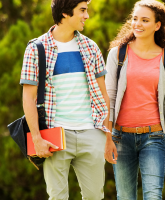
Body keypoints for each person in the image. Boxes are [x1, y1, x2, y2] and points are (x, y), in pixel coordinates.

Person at [19, 0, 110, 199]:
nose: (87, 16)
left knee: (95, 197)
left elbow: (104, 96)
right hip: (54, 137)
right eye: (82, 11)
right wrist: (37, 139)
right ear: (66, 14)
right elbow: (28, 99)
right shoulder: (36, 49)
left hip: (91, 134)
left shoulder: (91, 47)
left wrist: (106, 135)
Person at [104, 0, 165, 199]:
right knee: (125, 196)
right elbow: (109, 98)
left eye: (145, 20)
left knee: (153, 196)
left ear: (157, 25)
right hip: (120, 137)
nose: (137, 24)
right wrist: (107, 138)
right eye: (135, 18)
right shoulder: (118, 54)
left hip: (153, 137)